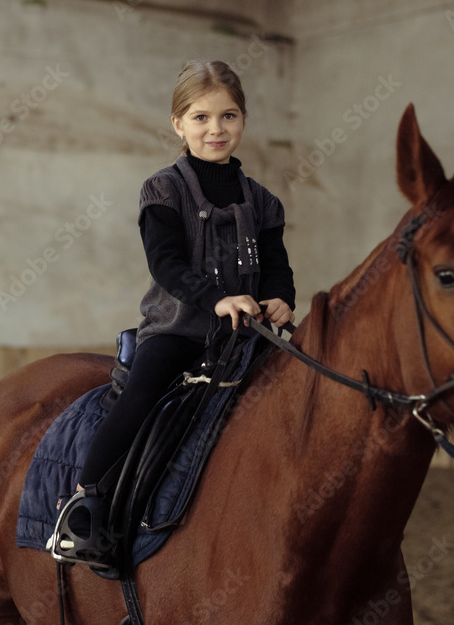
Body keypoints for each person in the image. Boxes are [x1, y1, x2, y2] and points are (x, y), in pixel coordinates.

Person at [51, 60, 295, 564]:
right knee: (140, 396)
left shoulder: (265, 202)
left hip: (245, 339)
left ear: (243, 121)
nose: (216, 129)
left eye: (228, 116)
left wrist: (281, 298)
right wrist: (216, 299)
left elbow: (276, 268)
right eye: (201, 117)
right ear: (178, 124)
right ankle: (83, 504)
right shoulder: (163, 190)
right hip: (179, 331)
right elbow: (166, 264)